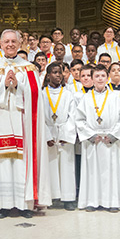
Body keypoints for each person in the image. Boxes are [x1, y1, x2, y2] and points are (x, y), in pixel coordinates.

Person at [0, 29, 48, 219]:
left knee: (21, 161)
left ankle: (25, 205)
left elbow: (36, 96)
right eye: (6, 41)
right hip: (0, 122)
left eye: (13, 42)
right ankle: (3, 205)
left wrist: (18, 86)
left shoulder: (28, 68)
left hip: (22, 123)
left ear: (19, 44)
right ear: (0, 45)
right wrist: (2, 86)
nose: (9, 45)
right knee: (2, 161)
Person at [75, 65, 120, 212]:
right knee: (92, 171)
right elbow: (79, 119)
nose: (100, 79)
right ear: (92, 79)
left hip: (109, 139)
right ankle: (92, 201)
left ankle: (112, 202)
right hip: (93, 140)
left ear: (107, 78)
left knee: (111, 171)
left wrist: (114, 135)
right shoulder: (85, 98)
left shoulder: (115, 97)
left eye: (103, 76)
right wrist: (90, 135)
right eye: (96, 76)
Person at [39, 62, 78, 211]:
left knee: (66, 166)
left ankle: (68, 198)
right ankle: (52, 196)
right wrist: (47, 135)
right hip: (48, 130)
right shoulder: (42, 94)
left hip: (63, 132)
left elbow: (72, 116)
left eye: (60, 72)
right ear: (48, 75)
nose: (58, 75)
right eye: (54, 72)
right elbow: (40, 117)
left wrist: (66, 134)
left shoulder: (68, 94)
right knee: (50, 165)